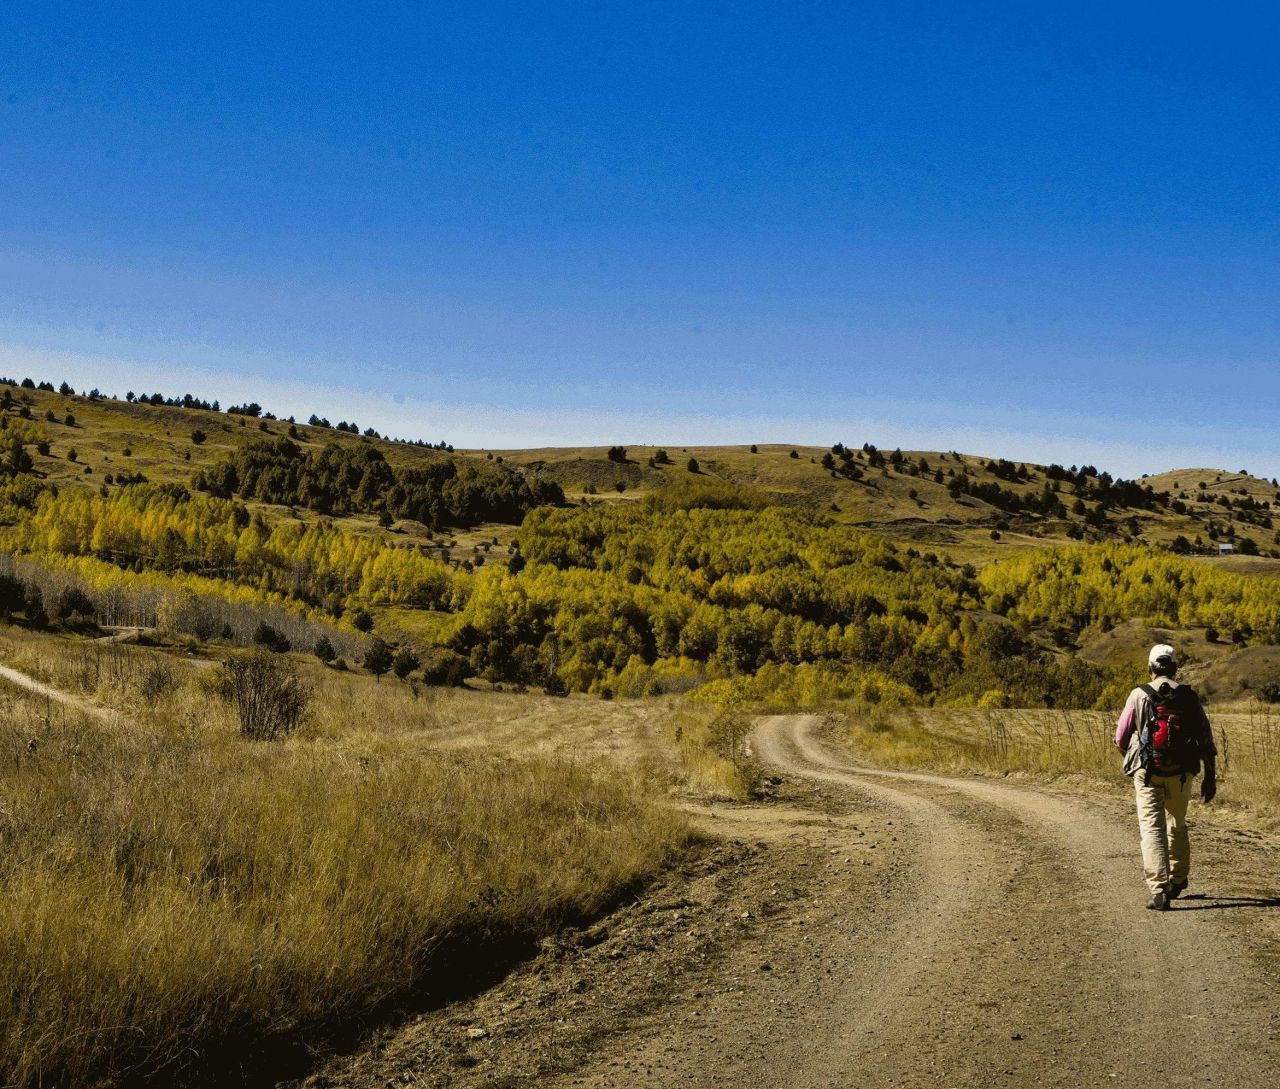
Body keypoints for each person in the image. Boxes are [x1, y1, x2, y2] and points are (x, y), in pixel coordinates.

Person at [1114, 644, 1217, 910]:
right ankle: (1179, 878)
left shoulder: (1138, 694)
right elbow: (1206, 738)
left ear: (1150, 668)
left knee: (1151, 829)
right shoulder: (1188, 696)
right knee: (1177, 823)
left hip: (1147, 771)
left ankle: (1158, 890)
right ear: (1175, 668)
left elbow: (1120, 738)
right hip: (1182, 772)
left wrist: (1135, 756)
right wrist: (1210, 776)